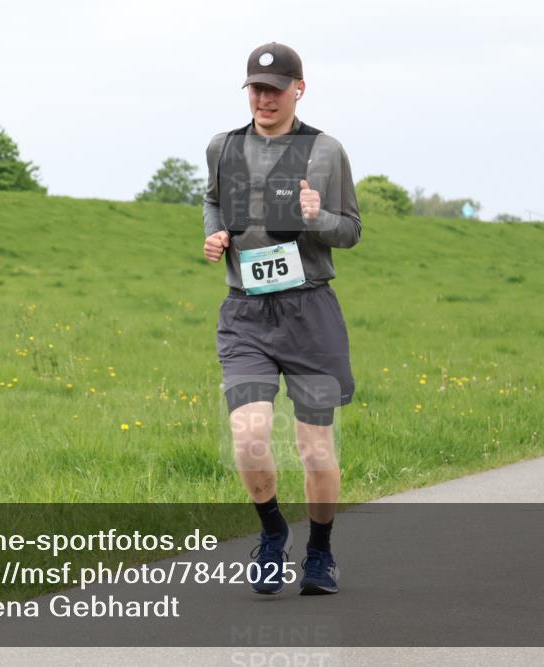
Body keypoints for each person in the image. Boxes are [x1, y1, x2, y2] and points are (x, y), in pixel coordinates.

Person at [202, 42, 361, 595]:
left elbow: (352, 231)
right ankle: (272, 536)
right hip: (245, 313)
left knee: (315, 446)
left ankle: (320, 550)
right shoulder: (222, 147)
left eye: (274, 89)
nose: (263, 98)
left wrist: (319, 219)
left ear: (299, 87)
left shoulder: (325, 151)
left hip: (309, 311)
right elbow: (212, 201)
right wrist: (213, 234)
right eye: (255, 89)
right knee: (248, 436)